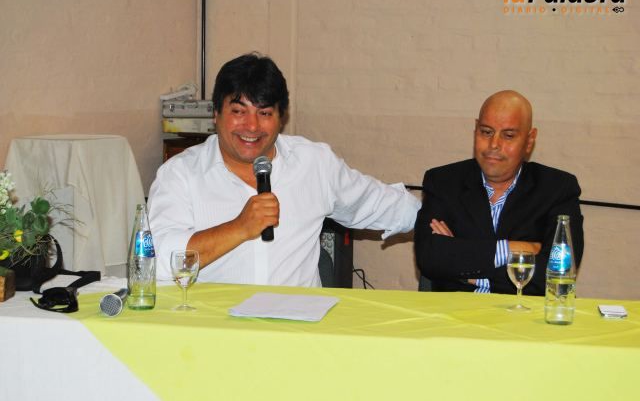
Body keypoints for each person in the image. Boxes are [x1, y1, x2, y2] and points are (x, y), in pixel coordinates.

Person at [148, 52, 420, 287]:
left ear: (282, 118)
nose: (252, 126)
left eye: (265, 113)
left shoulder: (313, 163)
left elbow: (378, 203)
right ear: (216, 114)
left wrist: (438, 215)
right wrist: (239, 228)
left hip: (298, 325)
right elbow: (156, 261)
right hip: (215, 326)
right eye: (239, 112)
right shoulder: (180, 174)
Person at [414, 90, 583, 295]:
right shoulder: (443, 181)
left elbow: (558, 274)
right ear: (476, 130)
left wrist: (465, 270)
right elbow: (430, 258)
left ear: (529, 140)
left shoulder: (557, 188)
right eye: (486, 132)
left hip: (524, 312)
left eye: (508, 135)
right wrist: (512, 248)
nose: (494, 144)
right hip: (456, 311)